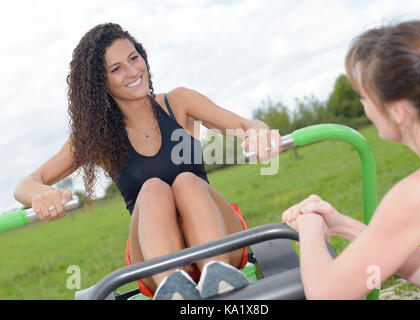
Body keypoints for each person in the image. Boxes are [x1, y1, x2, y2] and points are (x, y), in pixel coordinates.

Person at [13, 23, 281, 300]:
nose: (132, 72)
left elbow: (246, 124)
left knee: (187, 181)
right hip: (155, 259)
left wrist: (259, 133)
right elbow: (26, 184)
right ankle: (173, 288)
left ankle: (218, 277)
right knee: (152, 188)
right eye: (116, 69)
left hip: (218, 239)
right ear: (99, 83)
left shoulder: (179, 102)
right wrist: (41, 194)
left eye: (133, 58)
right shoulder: (99, 136)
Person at [282, 20, 420, 300]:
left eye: (364, 96)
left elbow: (326, 293)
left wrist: (309, 225)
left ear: (397, 111)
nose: (363, 105)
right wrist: (342, 225)